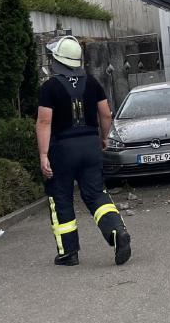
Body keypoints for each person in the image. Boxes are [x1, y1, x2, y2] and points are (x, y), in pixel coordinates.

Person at [35, 35, 131, 267]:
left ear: (57, 60)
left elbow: (44, 122)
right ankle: (117, 232)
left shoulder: (49, 87)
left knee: (61, 197)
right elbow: (106, 114)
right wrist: (104, 137)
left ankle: (69, 253)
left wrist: (44, 155)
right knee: (96, 194)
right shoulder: (93, 83)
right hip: (90, 146)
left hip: (62, 149)